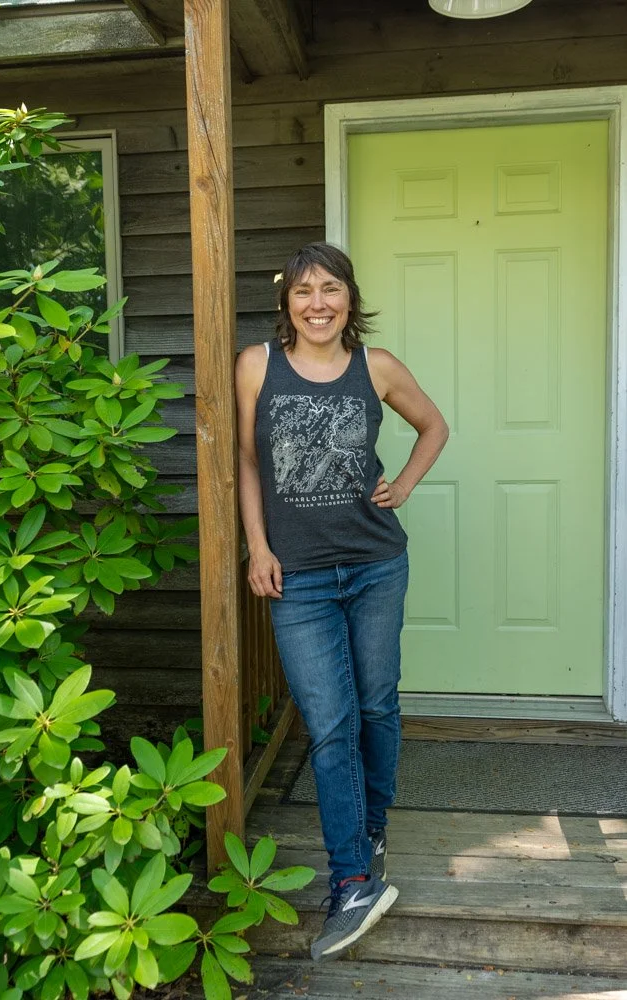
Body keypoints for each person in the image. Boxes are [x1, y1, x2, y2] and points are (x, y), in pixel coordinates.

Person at [235, 242, 448, 962]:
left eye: (330, 288)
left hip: (376, 563)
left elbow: (434, 427)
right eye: (304, 291)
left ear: (350, 298)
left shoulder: (376, 368)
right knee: (331, 724)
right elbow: (246, 460)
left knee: (378, 703)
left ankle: (370, 827)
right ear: (285, 302)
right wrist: (258, 548)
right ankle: (353, 879)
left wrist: (406, 486)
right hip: (298, 578)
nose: (317, 302)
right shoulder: (256, 365)